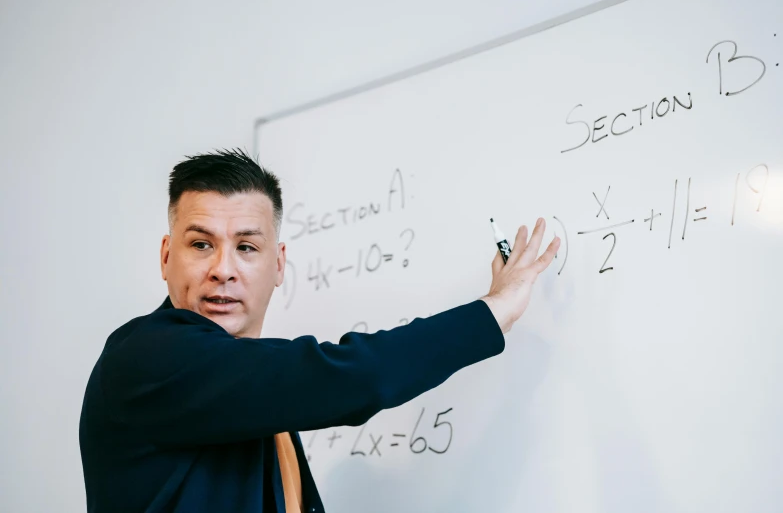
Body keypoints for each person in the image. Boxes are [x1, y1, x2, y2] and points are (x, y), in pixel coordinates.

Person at [79, 148, 560, 513]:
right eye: (201, 244)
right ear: (166, 257)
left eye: (247, 247)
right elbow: (353, 377)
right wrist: (493, 312)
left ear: (278, 264)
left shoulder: (258, 403)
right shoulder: (145, 357)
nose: (223, 269)